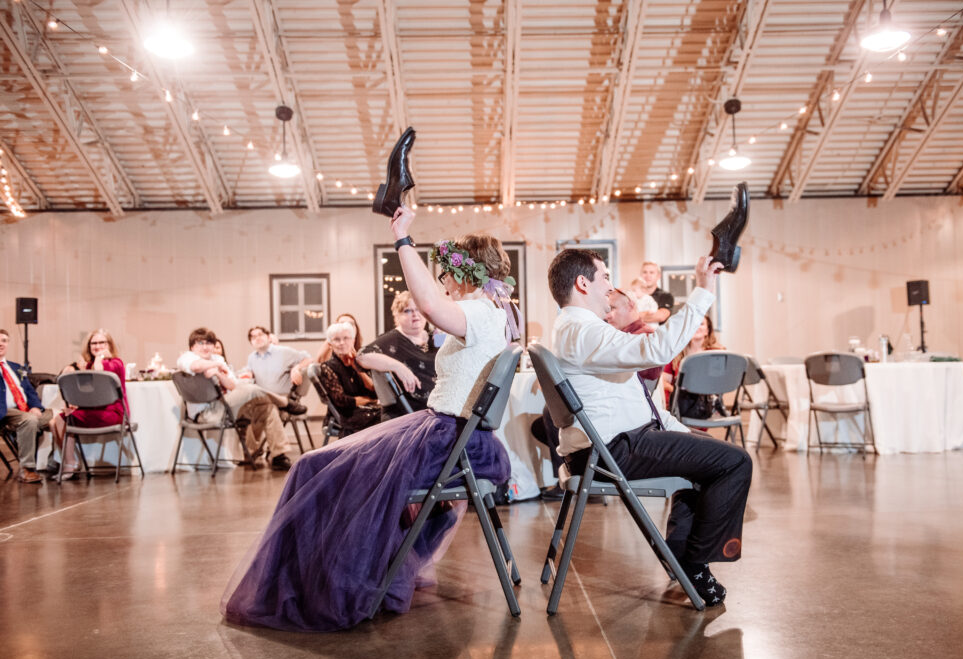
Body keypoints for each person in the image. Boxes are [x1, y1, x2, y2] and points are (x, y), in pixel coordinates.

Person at [222, 206, 521, 631]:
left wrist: (402, 239)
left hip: (447, 438)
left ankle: (314, 583)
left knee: (314, 467)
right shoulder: (494, 313)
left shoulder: (478, 312)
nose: (443, 282)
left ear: (463, 272)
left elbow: (431, 306)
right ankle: (326, 575)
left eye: (447, 273)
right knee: (321, 464)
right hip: (448, 433)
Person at [546, 248, 751, 607]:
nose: (610, 286)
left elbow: (641, 403)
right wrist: (704, 289)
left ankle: (681, 555)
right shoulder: (581, 330)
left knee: (713, 458)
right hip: (613, 451)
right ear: (582, 284)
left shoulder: (579, 329)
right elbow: (659, 349)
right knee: (735, 462)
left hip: (613, 445)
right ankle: (693, 562)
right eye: (605, 277)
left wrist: (683, 434)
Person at [176, 327, 293, 471]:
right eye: (200, 343)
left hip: (227, 407)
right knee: (251, 389)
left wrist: (219, 375)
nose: (205, 347)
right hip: (206, 413)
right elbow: (196, 366)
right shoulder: (187, 357)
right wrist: (216, 366)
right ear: (192, 346)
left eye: (208, 343)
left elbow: (232, 386)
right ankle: (285, 403)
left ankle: (279, 456)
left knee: (267, 408)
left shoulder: (217, 358)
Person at [50, 329, 129, 481]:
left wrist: (100, 357)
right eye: (94, 343)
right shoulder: (90, 364)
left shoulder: (115, 363)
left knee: (61, 421)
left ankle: (70, 465)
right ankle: (70, 462)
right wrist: (75, 406)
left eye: (102, 342)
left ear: (109, 345)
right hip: (93, 411)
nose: (98, 346)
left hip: (112, 413)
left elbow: (100, 375)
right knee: (55, 422)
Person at [356, 290, 440, 420]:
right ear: (397, 316)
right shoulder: (392, 339)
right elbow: (362, 356)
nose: (415, 315)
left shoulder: (434, 337)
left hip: (439, 405)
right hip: (412, 413)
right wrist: (398, 366)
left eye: (418, 309)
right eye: (407, 311)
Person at [0, 328, 51, 483]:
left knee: (60, 416)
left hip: (23, 410)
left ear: (8, 344)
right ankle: (27, 469)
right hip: (4, 411)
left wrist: (35, 406)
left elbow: (30, 391)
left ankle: (57, 463)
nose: (1, 344)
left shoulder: (17, 368)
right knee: (29, 420)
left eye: (4, 340)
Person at [319, 322, 381, 434]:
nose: (342, 343)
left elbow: (374, 391)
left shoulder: (358, 363)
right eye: (336, 339)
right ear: (330, 344)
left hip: (364, 409)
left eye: (346, 338)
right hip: (345, 415)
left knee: (392, 413)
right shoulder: (327, 367)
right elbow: (342, 401)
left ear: (353, 341)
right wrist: (369, 400)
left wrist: (356, 366)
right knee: (384, 417)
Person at [662, 313, 726, 416]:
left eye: (701, 324)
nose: (696, 327)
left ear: (707, 330)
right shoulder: (676, 353)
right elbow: (664, 382)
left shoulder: (717, 353)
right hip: (680, 406)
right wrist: (678, 392)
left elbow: (719, 383)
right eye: (693, 324)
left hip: (705, 405)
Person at [246, 326, 312, 409]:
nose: (257, 338)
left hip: (281, 398)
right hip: (261, 398)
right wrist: (248, 374)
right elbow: (249, 373)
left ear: (268, 337)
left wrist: (296, 368)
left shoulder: (283, 352)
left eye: (260, 335)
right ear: (251, 342)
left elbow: (308, 359)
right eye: (253, 337)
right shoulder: (251, 358)